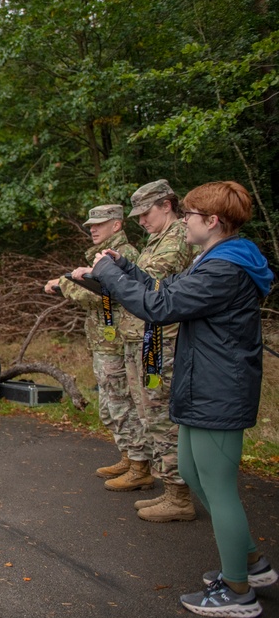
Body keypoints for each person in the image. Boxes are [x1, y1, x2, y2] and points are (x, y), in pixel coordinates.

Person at [78, 181, 276, 618]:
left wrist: (108, 274)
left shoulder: (225, 269)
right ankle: (249, 564)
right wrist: (122, 267)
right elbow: (162, 292)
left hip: (217, 390)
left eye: (190, 214)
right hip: (200, 384)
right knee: (191, 470)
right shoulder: (213, 260)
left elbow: (159, 308)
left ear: (213, 222)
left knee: (218, 489)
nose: (184, 220)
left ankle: (238, 591)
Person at [44, 205, 143, 486]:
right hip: (105, 340)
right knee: (111, 405)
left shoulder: (123, 256)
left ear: (117, 225)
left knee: (121, 404)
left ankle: (140, 467)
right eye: (90, 225)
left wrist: (64, 285)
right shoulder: (102, 256)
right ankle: (129, 457)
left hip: (118, 342)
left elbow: (104, 294)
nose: (93, 229)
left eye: (100, 223)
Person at [121, 180, 197, 521]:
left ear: (167, 204)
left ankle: (180, 496)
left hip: (164, 340)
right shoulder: (158, 239)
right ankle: (172, 488)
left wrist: (110, 275)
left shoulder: (178, 236)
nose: (141, 221)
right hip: (151, 337)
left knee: (162, 417)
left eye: (146, 213)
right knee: (150, 415)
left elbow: (151, 280)